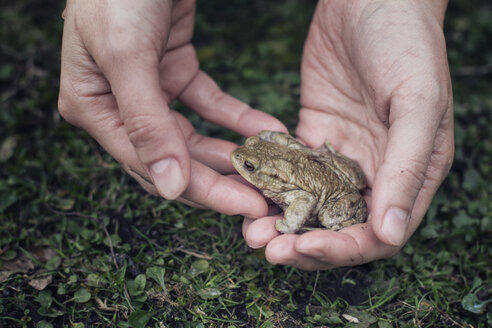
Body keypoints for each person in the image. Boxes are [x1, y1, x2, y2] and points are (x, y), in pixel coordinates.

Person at [58, 0, 454, 270]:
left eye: (249, 165)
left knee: (330, 213)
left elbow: (299, 197)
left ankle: (328, 217)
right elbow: (287, 158)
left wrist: (287, 225)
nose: (241, 162)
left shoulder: (283, 185)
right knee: (317, 168)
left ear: (265, 175)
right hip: (323, 167)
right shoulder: (277, 168)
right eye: (248, 161)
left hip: (333, 192)